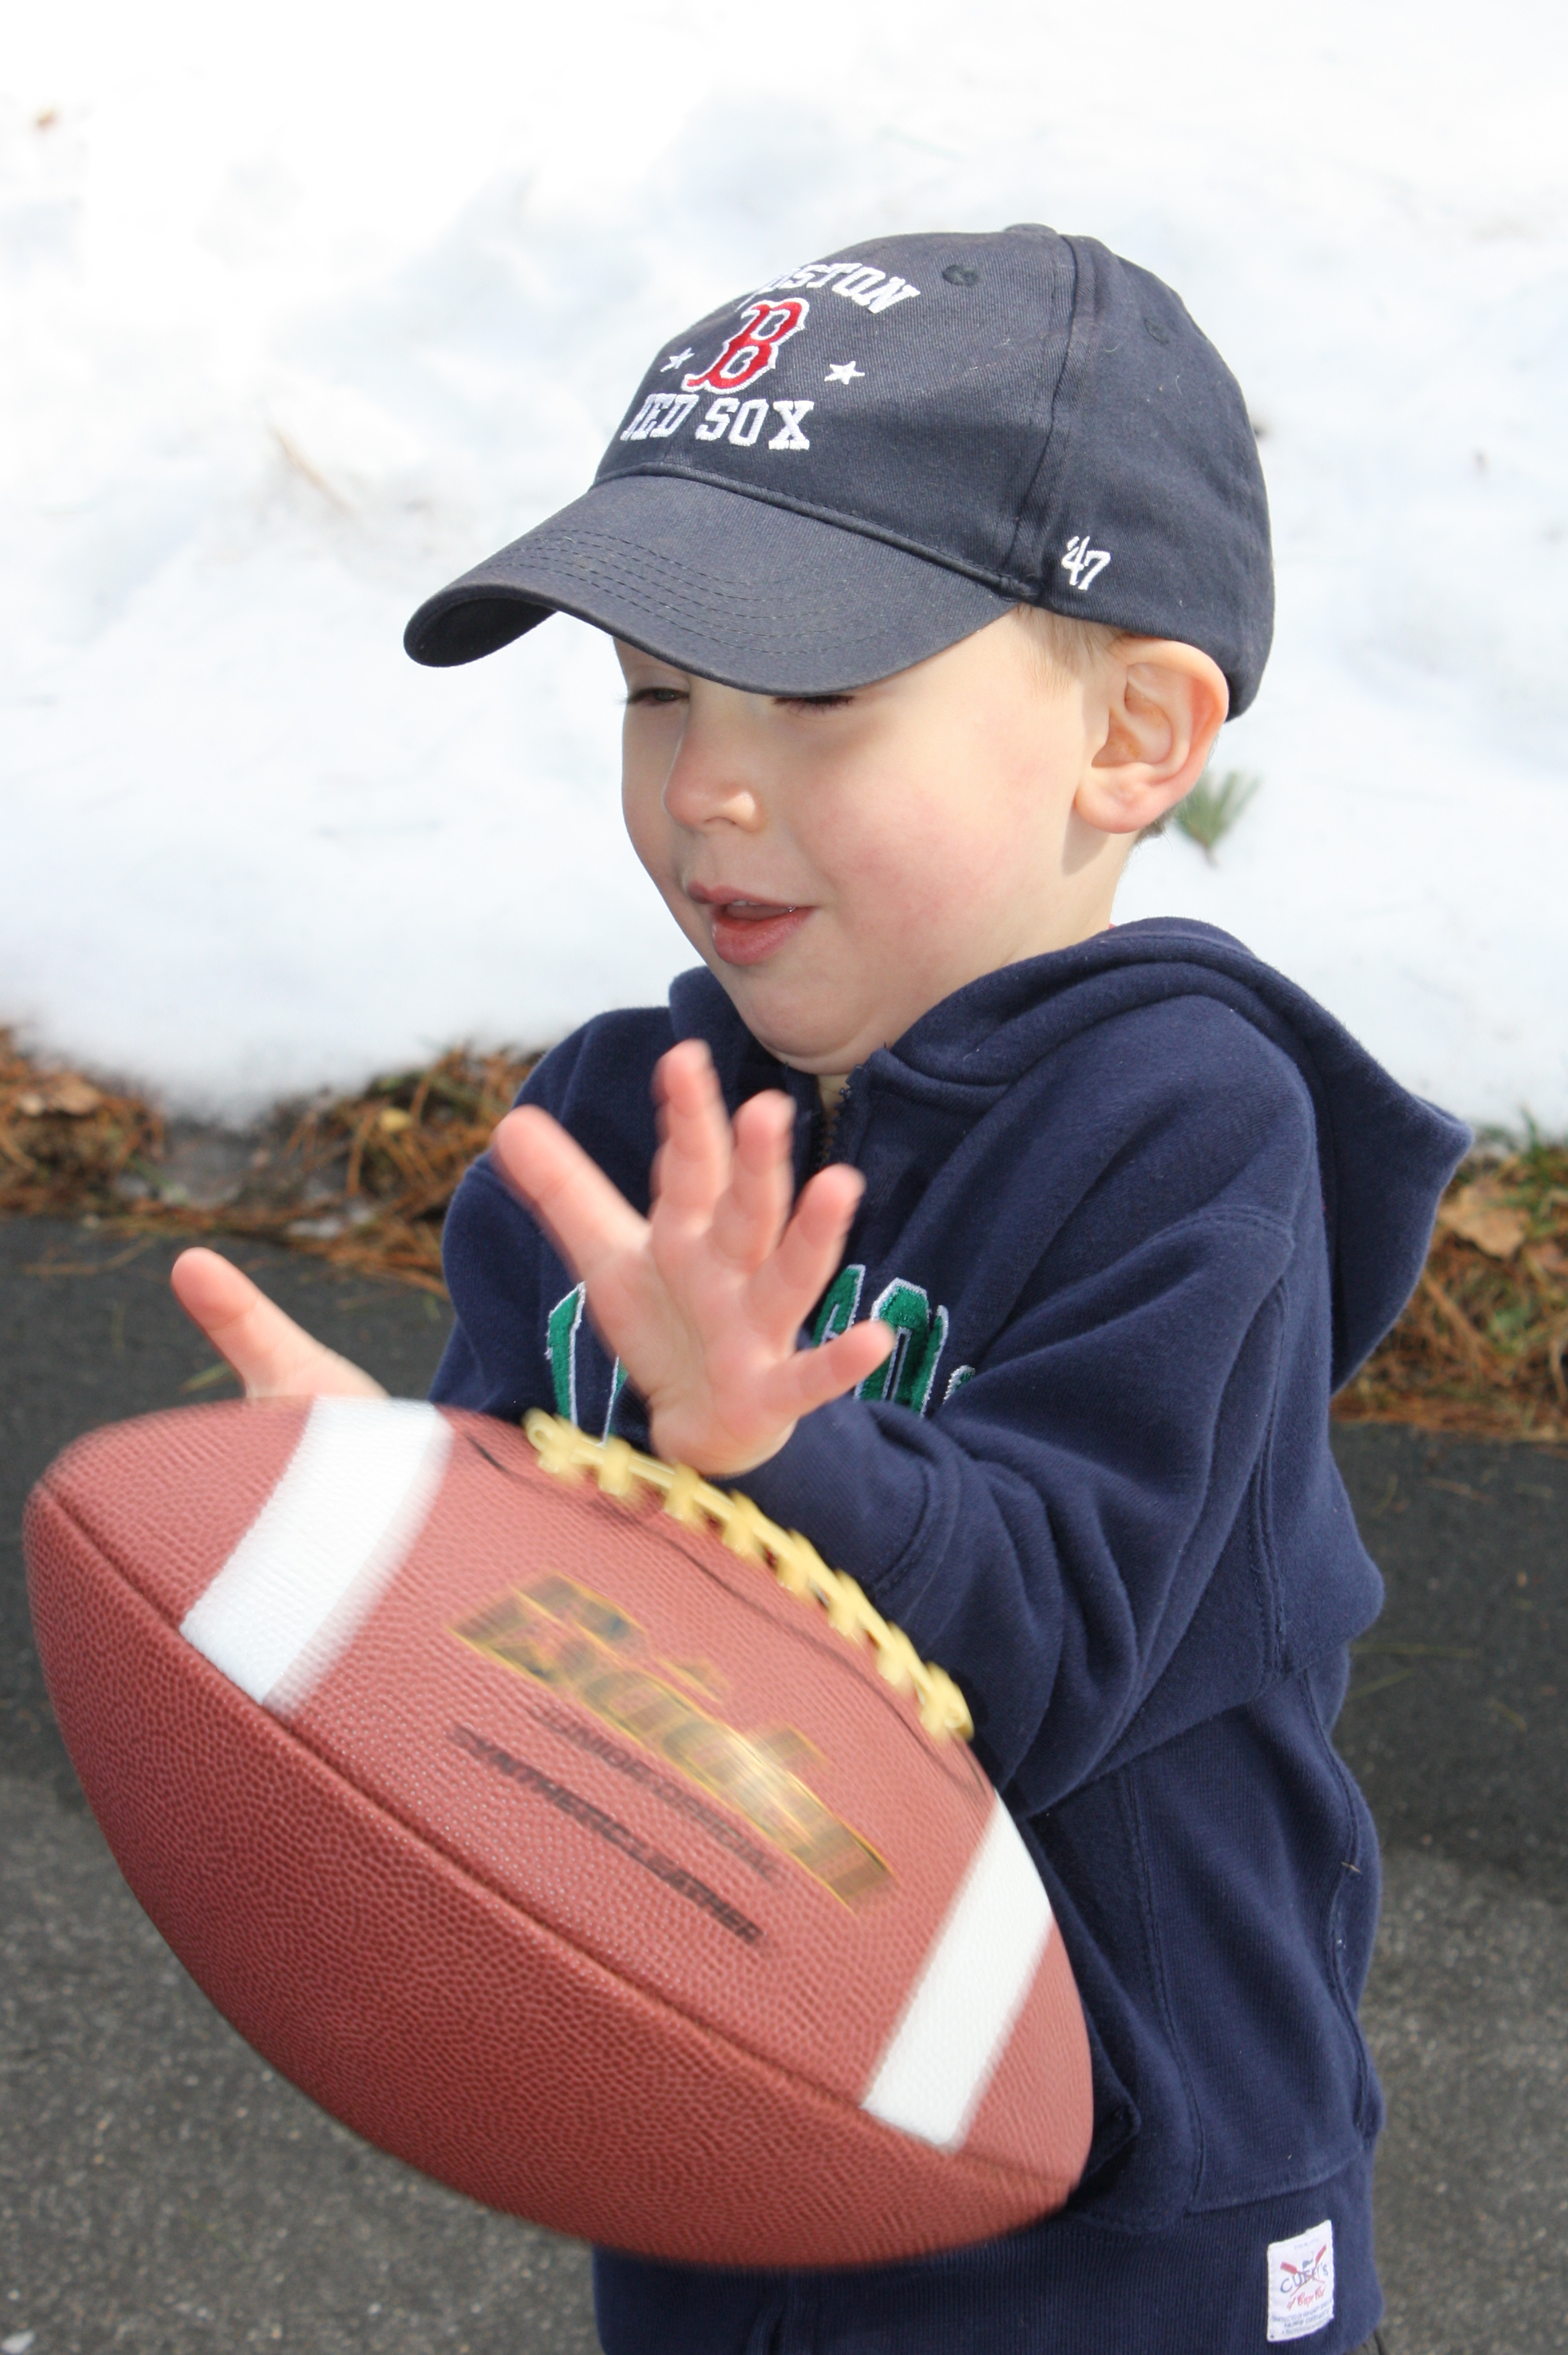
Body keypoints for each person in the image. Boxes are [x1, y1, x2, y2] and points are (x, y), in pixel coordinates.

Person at [174, 226, 1464, 2355]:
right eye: (655, 692)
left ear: (1135, 735)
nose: (706, 782)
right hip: (728, 2138)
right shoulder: (615, 1127)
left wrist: (780, 1450)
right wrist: (383, 1523)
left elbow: (1048, 1653)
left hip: (1120, 2227)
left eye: (818, 697)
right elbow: (525, 1663)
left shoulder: (1185, 1133)